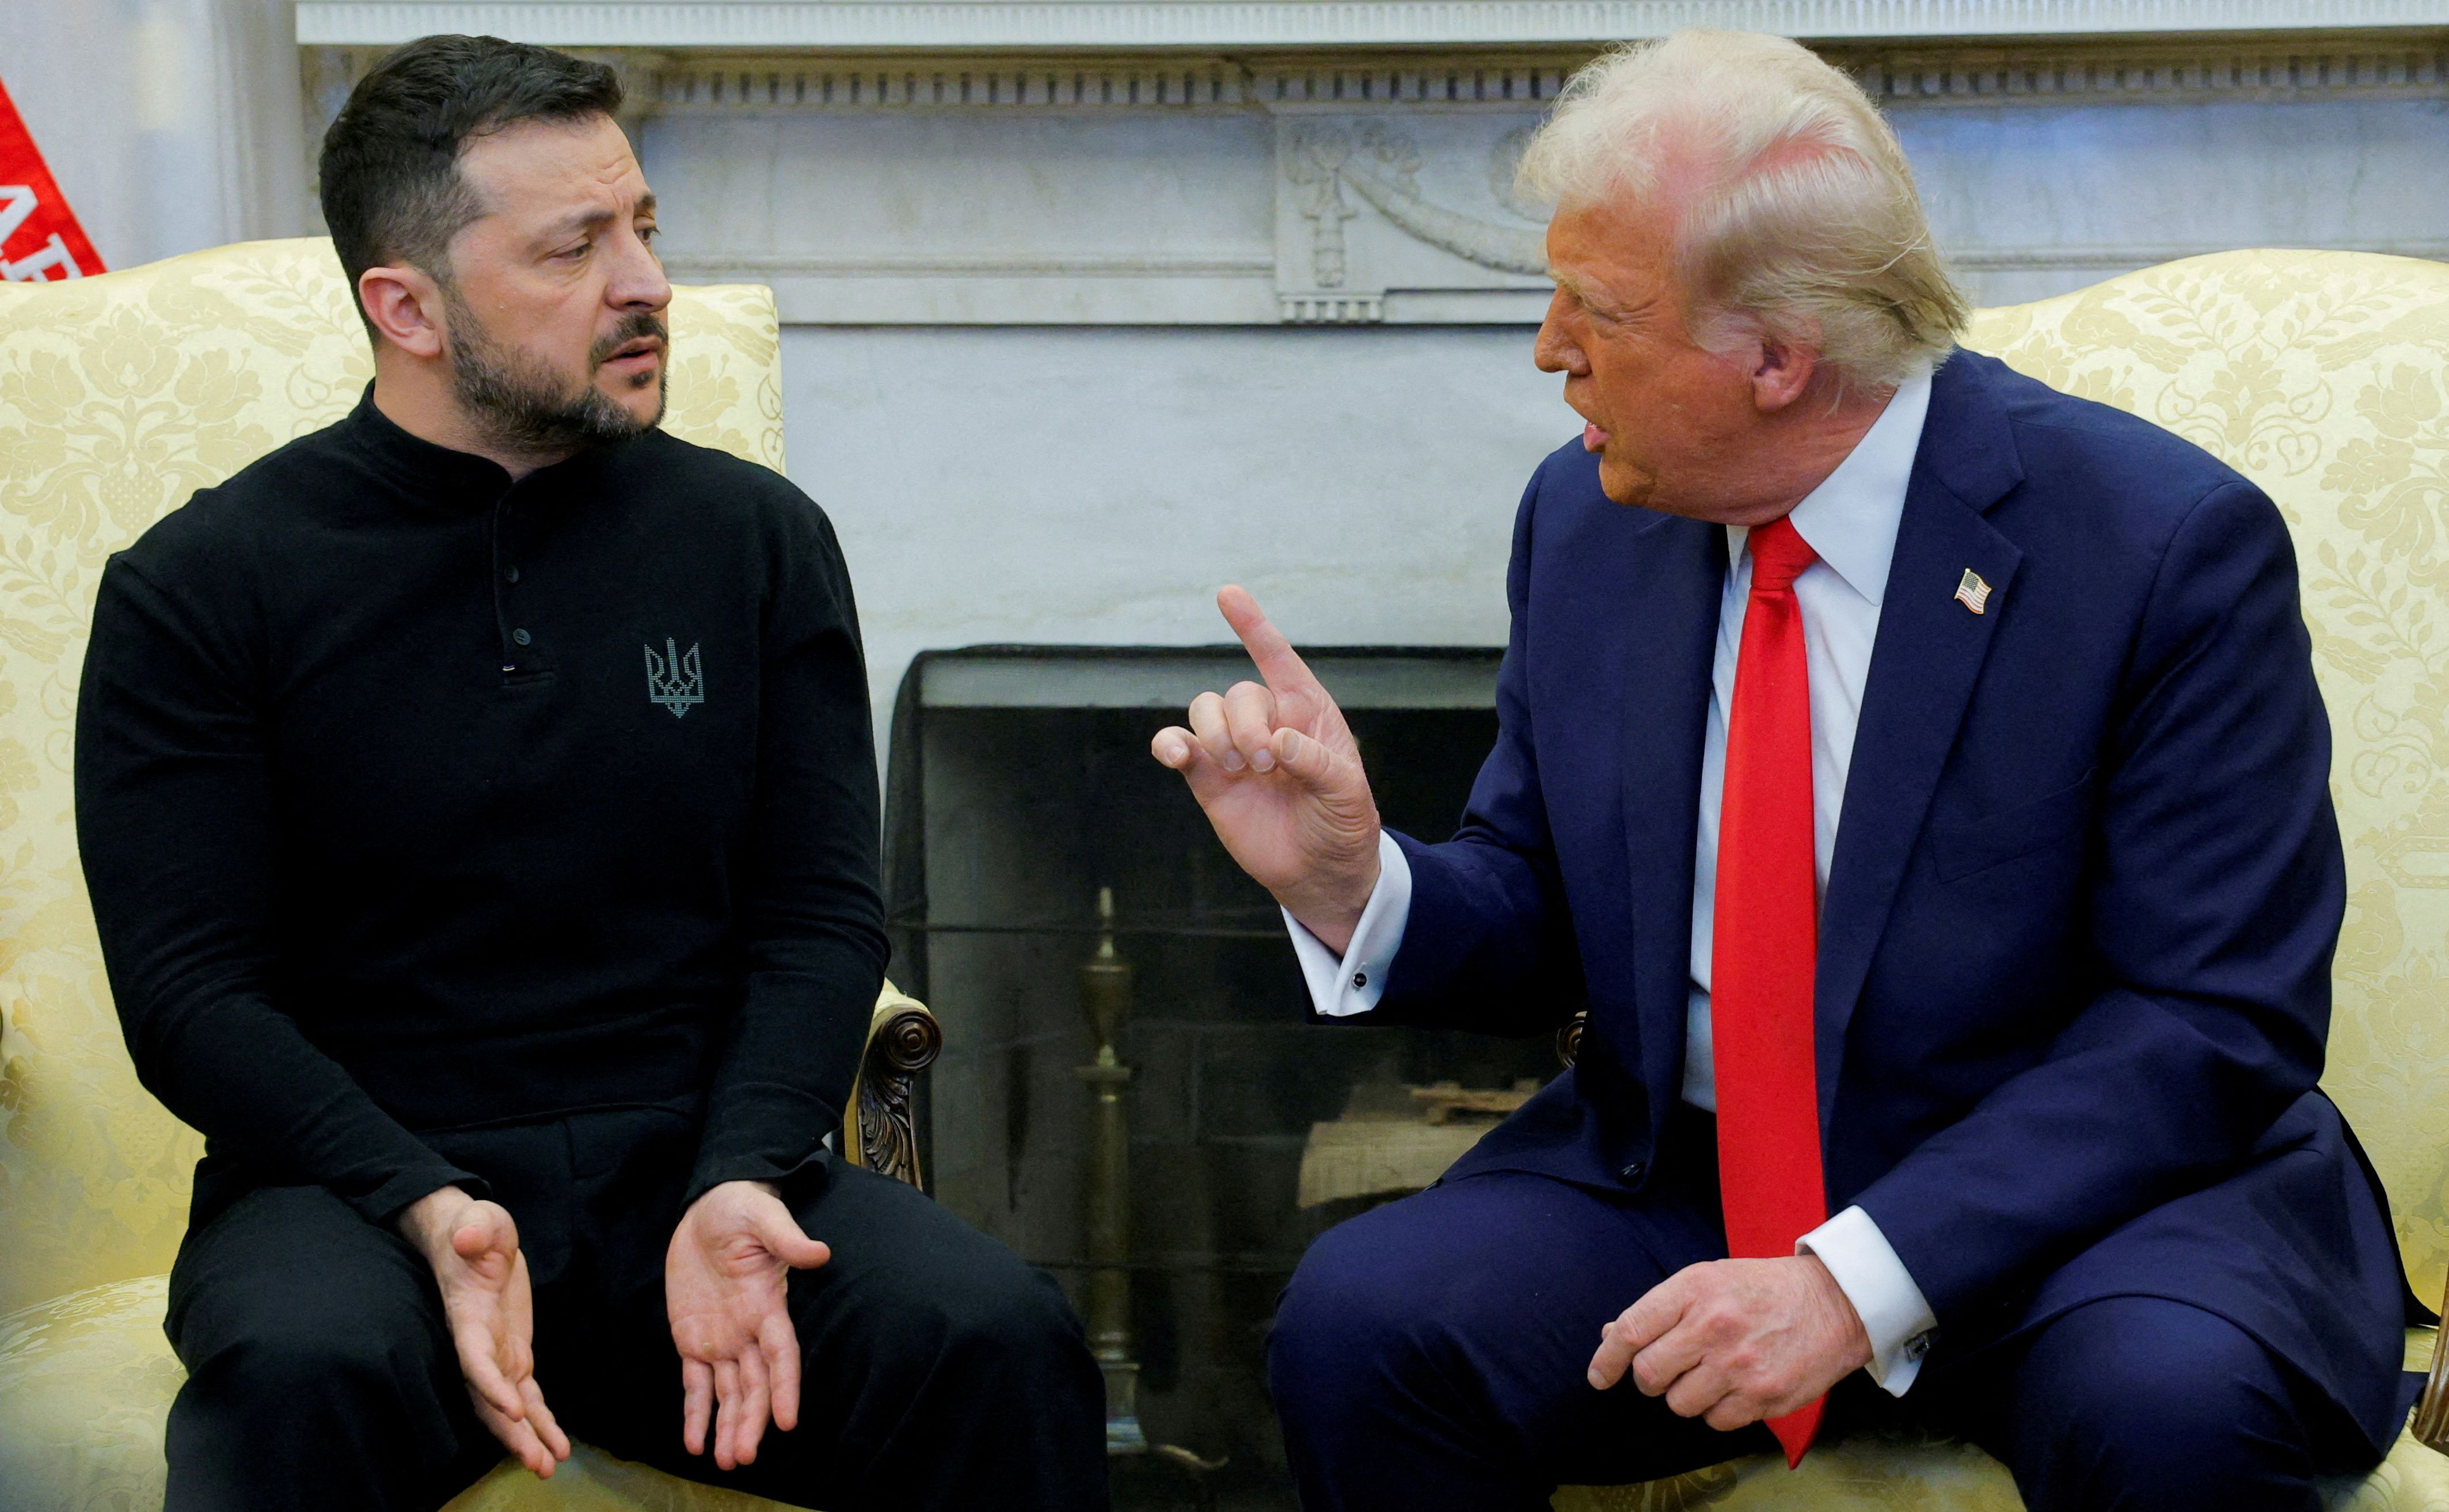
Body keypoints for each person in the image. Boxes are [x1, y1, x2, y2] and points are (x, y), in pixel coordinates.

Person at [1153, 29, 2427, 1512]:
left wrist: (1848, 1282)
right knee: (1370, 1328)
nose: (1550, 346)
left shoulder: (2158, 549)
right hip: (1693, 1178)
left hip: (2095, 1212)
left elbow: (2210, 1022)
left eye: (1600, 308)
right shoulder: (1590, 518)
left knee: (2166, 1412)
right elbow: (1544, 911)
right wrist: (1354, 882)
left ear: (1777, 354)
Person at [75, 34, 1105, 1512]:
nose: (646, 284)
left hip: (696, 1181)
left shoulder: (756, 540)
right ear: (406, 306)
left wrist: (745, 1172)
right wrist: (427, 1205)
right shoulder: (200, 586)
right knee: (292, 1379)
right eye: (577, 247)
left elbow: (818, 918)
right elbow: (190, 995)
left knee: (997, 1340)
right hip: (366, 1201)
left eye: (645, 229)